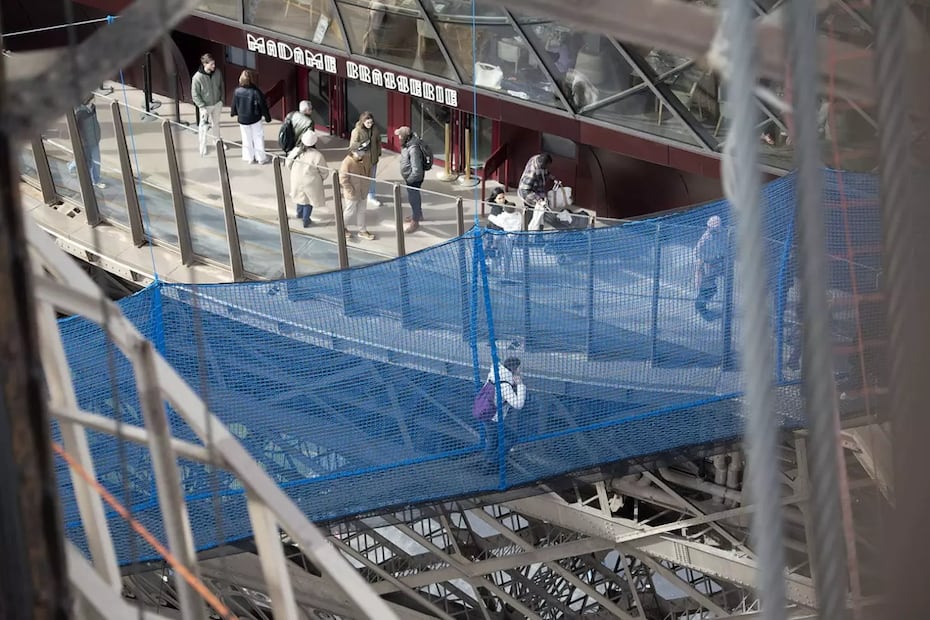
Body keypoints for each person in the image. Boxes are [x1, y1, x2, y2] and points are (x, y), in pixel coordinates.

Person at [480, 357, 526, 465]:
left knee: (493, 440)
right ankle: (492, 461)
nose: (520, 371)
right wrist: (520, 384)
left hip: (484, 412)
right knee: (512, 438)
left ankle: (486, 461)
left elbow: (494, 361)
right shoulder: (505, 386)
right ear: (515, 369)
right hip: (493, 418)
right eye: (519, 368)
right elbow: (518, 404)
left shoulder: (495, 371)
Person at [286, 131, 329, 228]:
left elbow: (288, 162)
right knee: (309, 200)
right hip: (311, 181)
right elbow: (324, 171)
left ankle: (299, 214)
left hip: (296, 178)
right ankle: (306, 219)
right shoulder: (317, 155)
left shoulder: (296, 150)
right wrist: (321, 178)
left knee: (299, 197)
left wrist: (294, 172)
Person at [230, 69, 271, 164]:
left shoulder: (237, 91)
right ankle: (261, 158)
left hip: (242, 119)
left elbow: (234, 104)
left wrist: (234, 113)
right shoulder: (256, 92)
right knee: (258, 137)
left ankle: (249, 157)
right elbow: (263, 106)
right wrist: (267, 117)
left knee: (246, 138)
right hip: (255, 118)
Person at [191, 53, 225, 157]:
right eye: (211, 64)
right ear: (205, 64)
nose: (214, 66)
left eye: (214, 63)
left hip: (217, 103)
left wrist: (222, 100)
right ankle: (203, 147)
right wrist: (202, 106)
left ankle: (217, 141)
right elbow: (194, 94)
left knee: (216, 124)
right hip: (205, 106)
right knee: (203, 127)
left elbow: (222, 86)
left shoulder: (217, 73)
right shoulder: (197, 77)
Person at [339, 146, 376, 240]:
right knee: (349, 211)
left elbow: (369, 170)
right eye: (360, 151)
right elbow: (343, 179)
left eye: (363, 150)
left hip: (363, 190)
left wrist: (367, 183)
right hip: (352, 193)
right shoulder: (347, 162)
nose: (362, 153)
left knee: (362, 211)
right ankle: (342, 228)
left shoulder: (366, 158)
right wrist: (351, 191)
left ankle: (362, 230)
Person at [67, 94, 105, 189]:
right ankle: (94, 180)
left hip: (94, 139)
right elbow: (77, 129)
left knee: (95, 160)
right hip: (86, 142)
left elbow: (95, 123)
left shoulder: (92, 108)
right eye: (93, 99)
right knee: (91, 162)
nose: (94, 100)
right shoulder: (80, 113)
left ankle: (72, 166)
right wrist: (82, 141)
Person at [694, 215, 727, 318]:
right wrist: (699, 272)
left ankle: (701, 306)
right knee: (709, 288)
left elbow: (722, 248)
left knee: (711, 287)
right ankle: (700, 307)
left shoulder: (719, 234)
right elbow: (698, 255)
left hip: (715, 263)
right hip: (706, 266)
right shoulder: (705, 239)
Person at [349, 111, 383, 207]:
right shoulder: (357, 131)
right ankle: (360, 194)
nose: (370, 124)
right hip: (362, 160)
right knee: (361, 178)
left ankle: (371, 196)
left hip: (373, 159)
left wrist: (378, 152)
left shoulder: (375, 129)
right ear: (363, 121)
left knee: (372, 178)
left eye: (371, 122)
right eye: (368, 123)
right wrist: (361, 145)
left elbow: (378, 141)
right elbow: (352, 146)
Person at [395, 125, 425, 233]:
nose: (398, 138)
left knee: (414, 199)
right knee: (415, 197)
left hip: (414, 179)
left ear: (405, 137)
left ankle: (415, 221)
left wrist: (410, 179)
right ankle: (418, 214)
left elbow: (416, 169)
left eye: (400, 136)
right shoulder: (408, 144)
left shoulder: (413, 149)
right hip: (410, 177)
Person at [487, 189, 521, 277]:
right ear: (495, 200)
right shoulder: (495, 210)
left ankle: (503, 273)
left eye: (503, 197)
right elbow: (495, 224)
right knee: (500, 255)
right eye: (499, 198)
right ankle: (491, 269)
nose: (502, 200)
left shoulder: (507, 206)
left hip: (507, 236)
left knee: (505, 255)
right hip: (498, 236)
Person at [518, 153, 553, 232]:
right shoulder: (532, 173)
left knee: (540, 216)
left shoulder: (538, 158)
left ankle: (538, 234)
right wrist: (537, 199)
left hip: (537, 191)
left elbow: (545, 172)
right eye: (547, 166)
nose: (548, 168)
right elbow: (525, 190)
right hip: (528, 196)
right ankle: (525, 234)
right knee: (530, 216)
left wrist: (552, 178)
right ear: (542, 165)